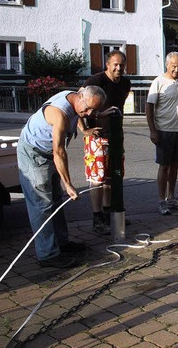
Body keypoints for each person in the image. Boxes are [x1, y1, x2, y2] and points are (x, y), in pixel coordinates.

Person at [18, 86, 106, 268]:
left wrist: (84, 130)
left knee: (55, 200)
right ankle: (47, 255)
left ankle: (62, 243)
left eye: (93, 111)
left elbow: (79, 115)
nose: (89, 113)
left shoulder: (76, 100)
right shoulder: (59, 114)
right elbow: (59, 152)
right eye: (88, 108)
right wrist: (68, 184)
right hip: (34, 154)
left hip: (47, 152)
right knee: (42, 204)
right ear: (81, 96)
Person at [80, 50, 131, 235]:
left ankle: (110, 212)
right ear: (107, 65)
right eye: (115, 64)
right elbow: (78, 102)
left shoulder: (125, 83)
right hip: (97, 137)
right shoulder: (95, 81)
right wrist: (84, 129)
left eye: (122, 65)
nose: (119, 68)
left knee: (113, 177)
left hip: (116, 135)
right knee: (97, 179)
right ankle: (97, 217)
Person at [146, 51, 178, 215]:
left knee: (175, 166)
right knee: (164, 166)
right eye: (174, 66)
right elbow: (149, 106)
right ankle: (161, 201)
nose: (176, 70)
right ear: (167, 64)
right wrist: (152, 130)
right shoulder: (158, 82)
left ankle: (171, 197)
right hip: (164, 130)